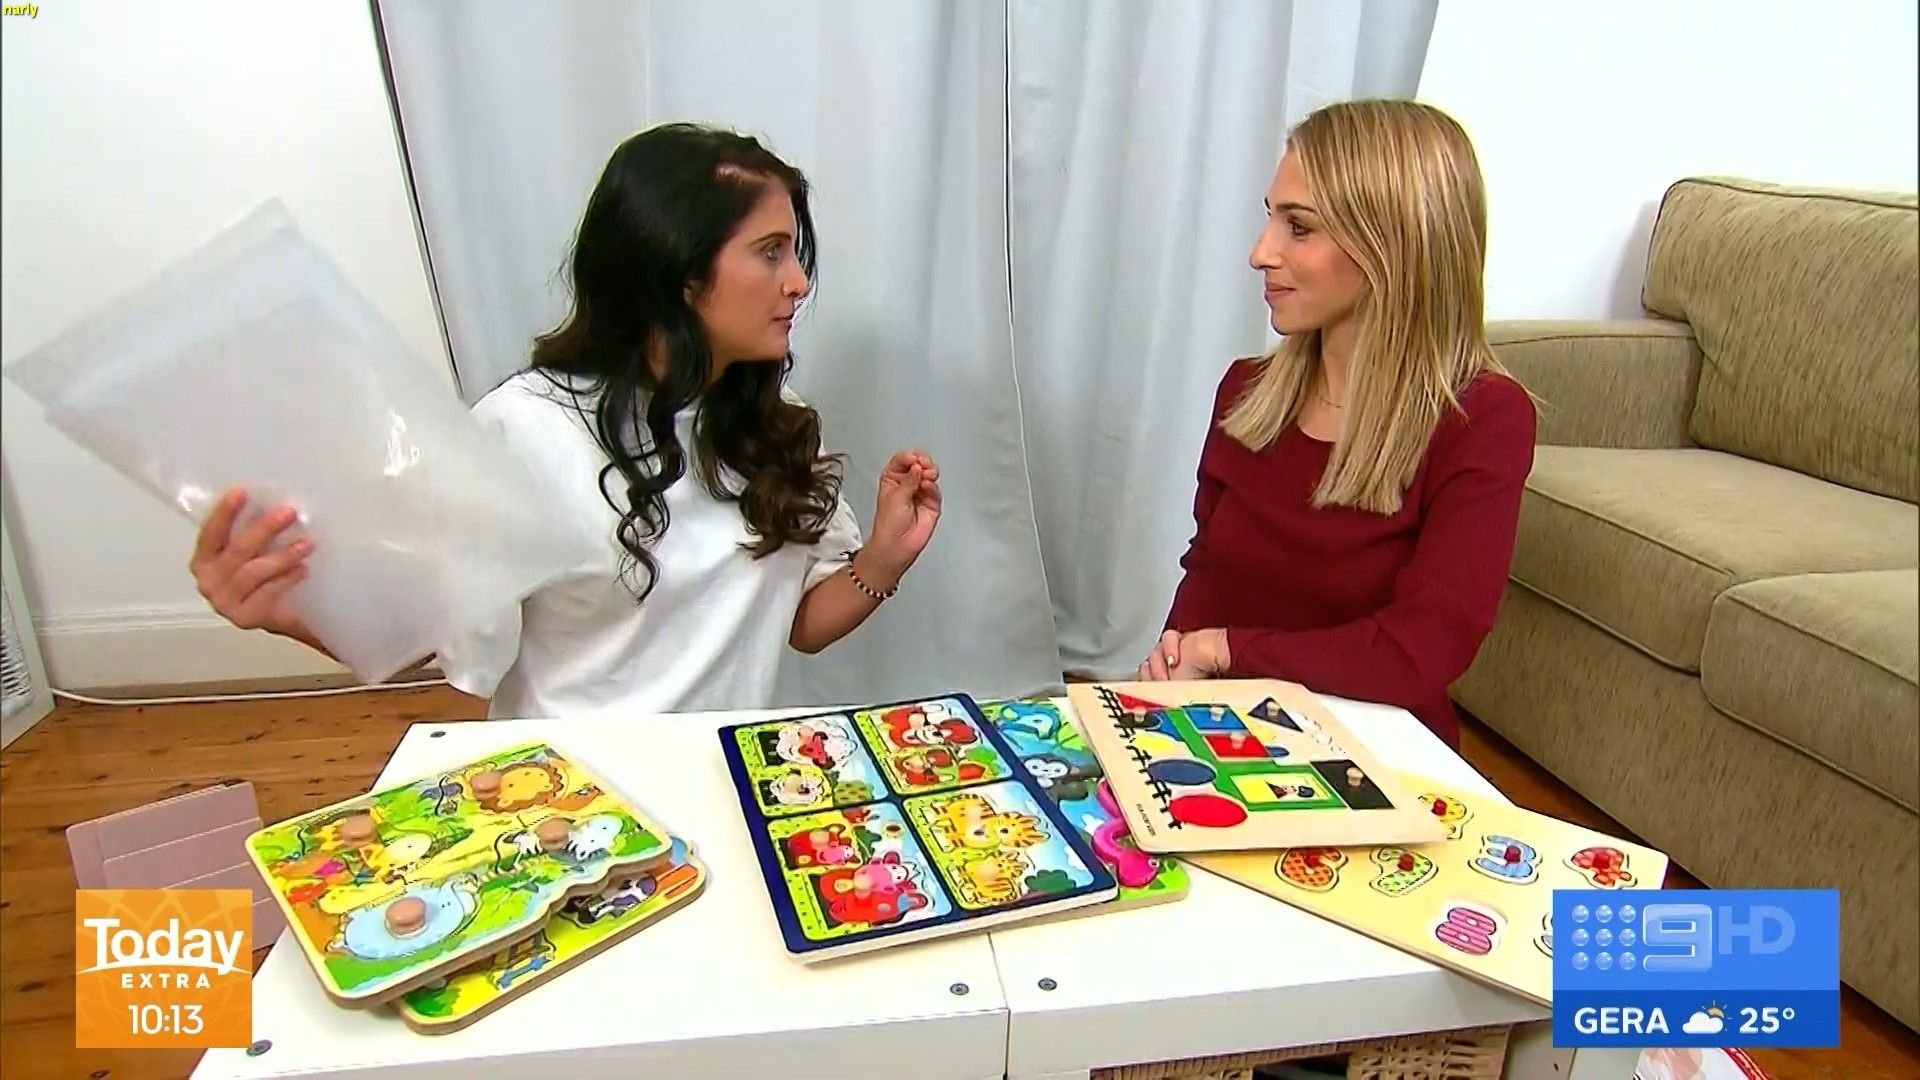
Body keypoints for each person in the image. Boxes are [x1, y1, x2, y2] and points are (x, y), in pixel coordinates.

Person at [189, 123, 942, 718]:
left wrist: (884, 557)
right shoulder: (527, 431)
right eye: (770, 253)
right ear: (678, 271)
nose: (799, 281)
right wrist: (288, 611)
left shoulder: (776, 422)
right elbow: (447, 643)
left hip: (726, 777)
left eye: (794, 252)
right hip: (571, 799)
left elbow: (796, 625)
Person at [1138, 100, 1535, 749]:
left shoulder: (1484, 419)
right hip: (1224, 735)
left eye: (1299, 227)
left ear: (1391, 243)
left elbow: (1421, 648)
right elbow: (1207, 573)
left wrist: (1230, 652)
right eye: (1270, 217)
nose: (1259, 253)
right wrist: (1172, 673)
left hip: (1373, 757)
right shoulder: (1246, 392)